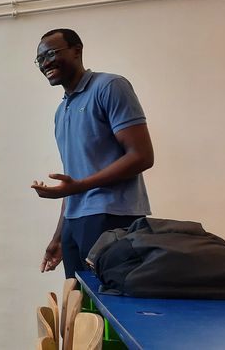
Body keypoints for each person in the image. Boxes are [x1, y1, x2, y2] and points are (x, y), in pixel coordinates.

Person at [31, 28, 154, 279]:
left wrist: (79, 186)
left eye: (51, 54)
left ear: (77, 51)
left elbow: (142, 156)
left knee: (108, 305)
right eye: (40, 59)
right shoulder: (61, 110)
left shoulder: (110, 87)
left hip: (112, 217)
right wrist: (58, 237)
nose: (45, 63)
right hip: (75, 222)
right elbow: (73, 181)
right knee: (80, 307)